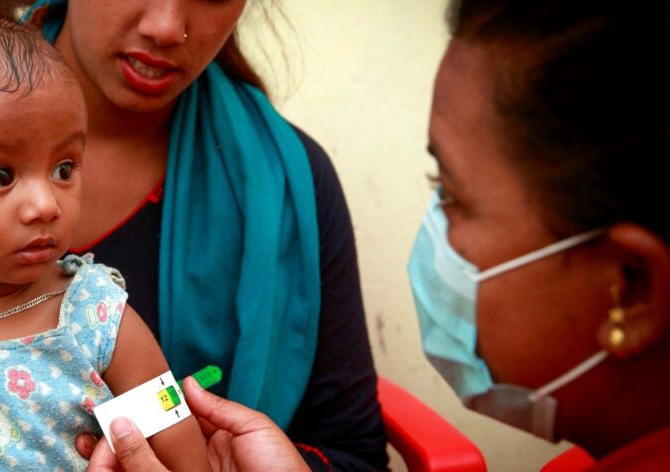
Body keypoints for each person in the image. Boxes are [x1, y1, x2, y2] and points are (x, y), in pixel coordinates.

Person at [0, 1, 388, 470]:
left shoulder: (98, 317)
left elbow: (206, 451)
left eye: (65, 169)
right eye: (0, 174)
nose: (167, 26)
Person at [75, 0, 670, 470]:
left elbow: (351, 448)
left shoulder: (286, 189)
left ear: (632, 286)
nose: (165, 25)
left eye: (453, 196)